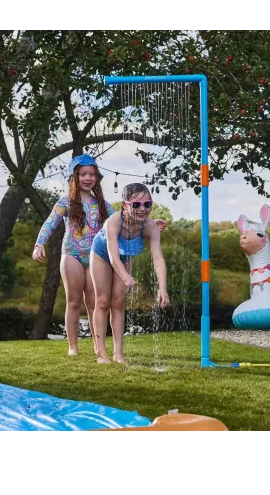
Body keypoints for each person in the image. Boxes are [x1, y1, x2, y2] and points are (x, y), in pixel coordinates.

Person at [32, 155, 166, 357]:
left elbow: (127, 217)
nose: (88, 178)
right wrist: (39, 244)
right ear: (74, 177)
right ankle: (73, 346)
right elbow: (50, 223)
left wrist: (149, 223)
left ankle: (98, 345)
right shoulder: (66, 202)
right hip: (72, 254)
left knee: (94, 301)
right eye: (83, 174)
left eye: (92, 174)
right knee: (74, 301)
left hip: (96, 256)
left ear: (97, 178)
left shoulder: (101, 204)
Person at [90, 182, 170, 364]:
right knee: (102, 301)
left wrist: (162, 288)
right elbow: (113, 257)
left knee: (118, 303)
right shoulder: (113, 222)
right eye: (136, 205)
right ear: (124, 205)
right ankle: (101, 353)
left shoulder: (150, 227)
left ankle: (118, 353)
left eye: (147, 204)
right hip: (102, 255)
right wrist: (126, 277)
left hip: (124, 257)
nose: (142, 209)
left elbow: (158, 258)